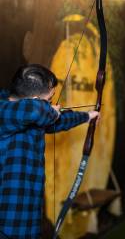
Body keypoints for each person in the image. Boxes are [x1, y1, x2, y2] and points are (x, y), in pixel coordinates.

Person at [0, 64, 99, 239]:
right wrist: (47, 109)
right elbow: (33, 111)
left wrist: (87, 117)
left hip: (28, 212)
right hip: (8, 217)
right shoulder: (7, 112)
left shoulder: (34, 115)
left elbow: (56, 121)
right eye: (49, 98)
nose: (52, 103)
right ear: (36, 98)